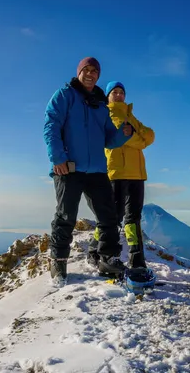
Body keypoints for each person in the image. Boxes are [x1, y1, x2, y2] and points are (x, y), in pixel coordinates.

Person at [43, 57, 132, 286]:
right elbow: (51, 125)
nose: (91, 74)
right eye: (87, 70)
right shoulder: (65, 95)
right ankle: (59, 261)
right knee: (66, 216)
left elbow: (109, 140)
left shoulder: (101, 104)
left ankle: (108, 258)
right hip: (68, 167)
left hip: (96, 170)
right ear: (79, 72)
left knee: (109, 217)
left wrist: (123, 134)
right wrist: (58, 158)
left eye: (95, 71)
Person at [95, 81, 155, 269]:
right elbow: (124, 138)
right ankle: (94, 249)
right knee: (113, 217)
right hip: (116, 172)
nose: (119, 95)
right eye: (115, 92)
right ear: (108, 96)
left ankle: (137, 260)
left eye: (122, 92)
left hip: (137, 174)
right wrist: (137, 138)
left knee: (133, 219)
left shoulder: (131, 117)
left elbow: (150, 135)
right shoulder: (107, 114)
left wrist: (135, 136)